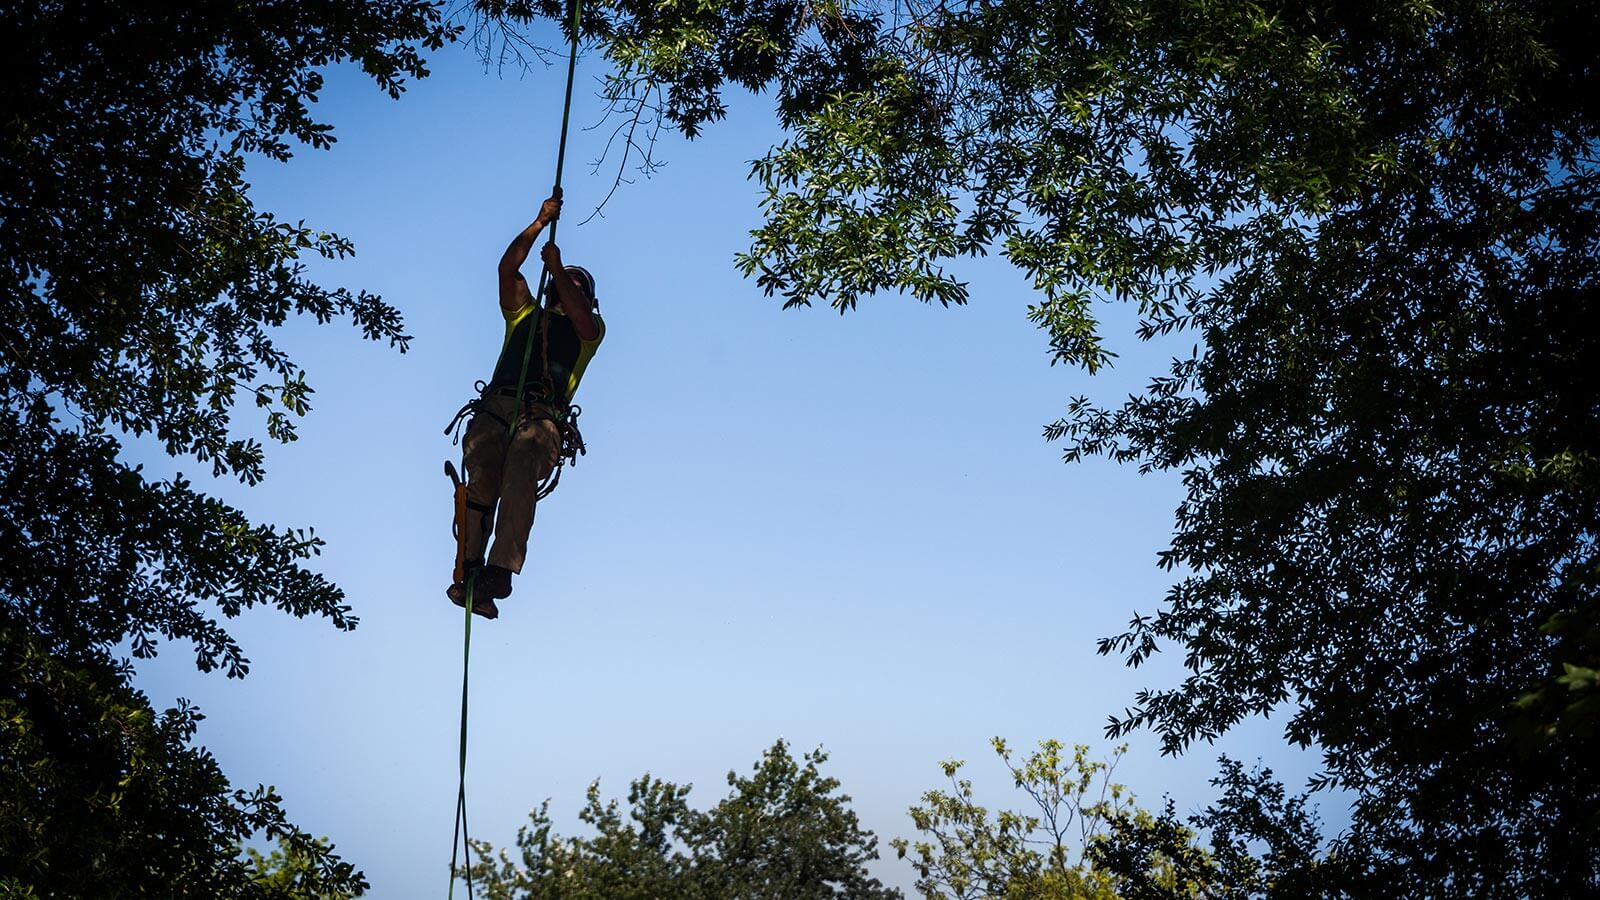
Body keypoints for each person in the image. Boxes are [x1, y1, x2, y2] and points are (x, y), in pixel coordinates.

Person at [447, 190, 604, 618]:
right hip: (497, 408)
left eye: (577, 285)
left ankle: (501, 571)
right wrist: (538, 223)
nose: (566, 286)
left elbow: (581, 316)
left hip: (541, 419)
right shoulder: (523, 314)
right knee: (482, 483)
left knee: (520, 473)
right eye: (563, 282)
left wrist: (557, 268)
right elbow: (507, 269)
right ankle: (471, 572)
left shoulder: (590, 332)